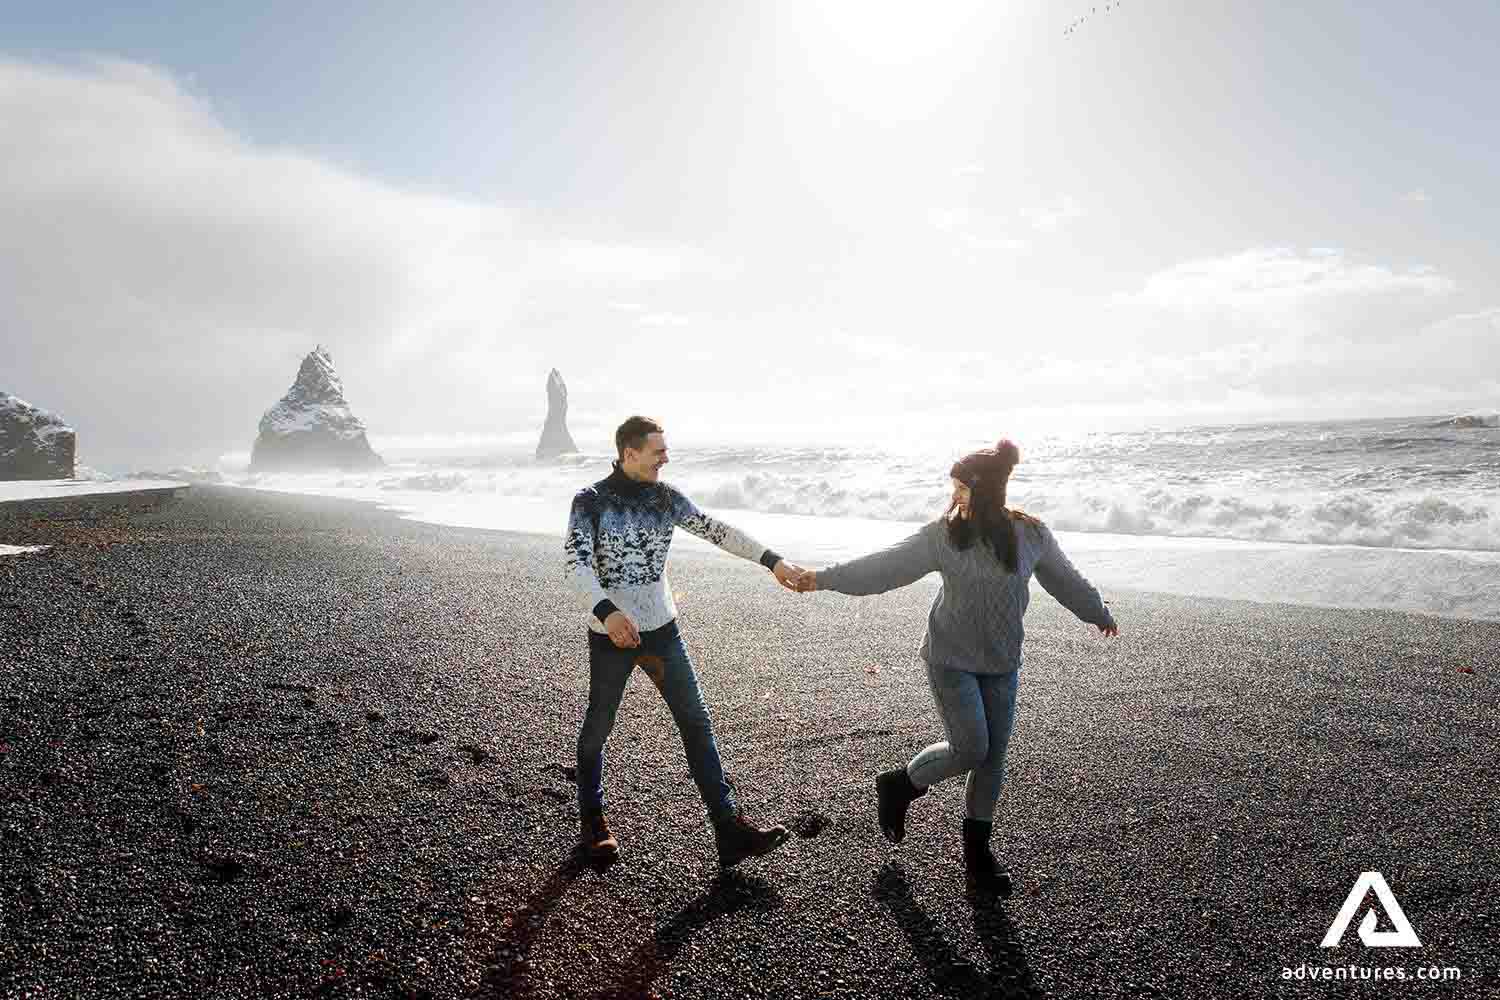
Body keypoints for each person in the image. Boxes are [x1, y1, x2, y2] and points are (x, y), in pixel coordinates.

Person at [791, 439, 1118, 900]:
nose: (953, 497)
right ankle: (901, 784)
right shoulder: (943, 536)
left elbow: (1066, 579)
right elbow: (884, 568)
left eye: (961, 489)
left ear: (984, 491)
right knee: (971, 748)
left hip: (1002, 662)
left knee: (993, 758)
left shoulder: (1031, 535)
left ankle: (977, 859)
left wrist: (1098, 611)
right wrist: (823, 578)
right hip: (950, 660)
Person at [565, 415, 804, 868]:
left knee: (696, 722)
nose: (666, 458)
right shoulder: (590, 501)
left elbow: (716, 530)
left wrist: (771, 560)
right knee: (599, 725)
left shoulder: (665, 498)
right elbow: (575, 565)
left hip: (662, 631)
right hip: (611, 635)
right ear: (629, 453)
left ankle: (728, 827)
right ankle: (593, 820)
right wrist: (607, 611)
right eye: (658, 451)